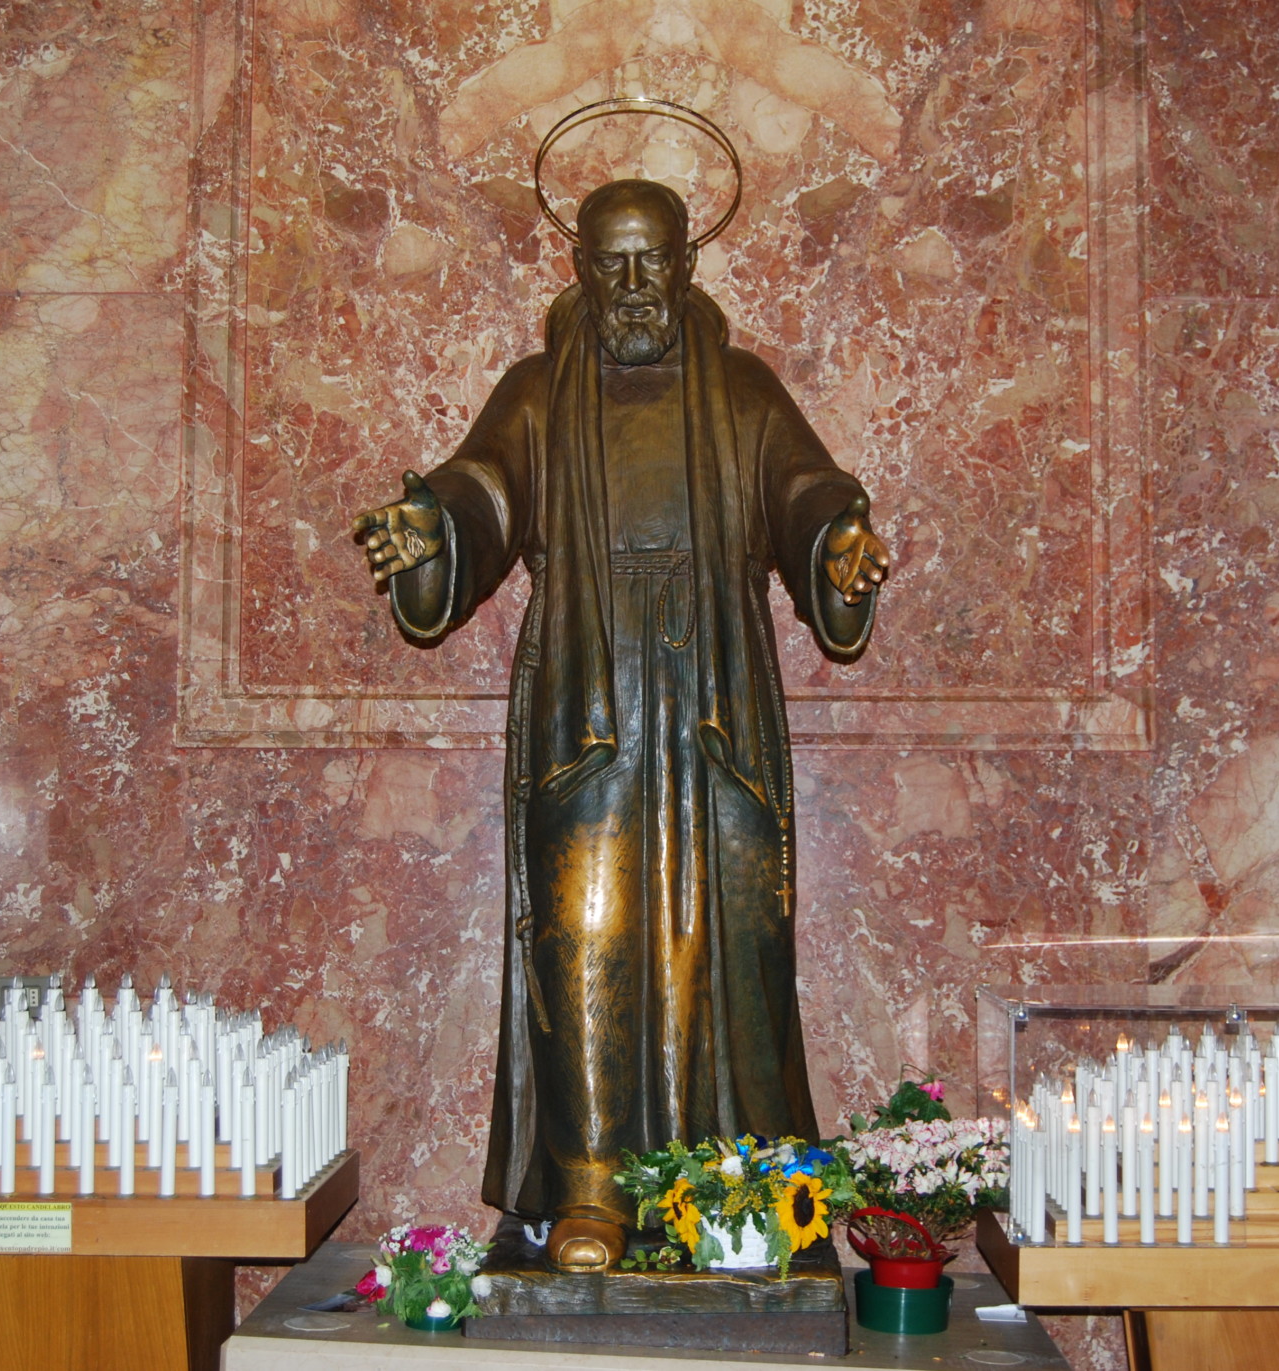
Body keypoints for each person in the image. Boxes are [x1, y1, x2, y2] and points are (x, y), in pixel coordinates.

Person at [353, 179, 889, 1271]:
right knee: (581, 936)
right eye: (613, 263)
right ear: (581, 271)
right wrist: (431, 529)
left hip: (714, 709)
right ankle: (589, 1191)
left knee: (736, 944)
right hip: (588, 708)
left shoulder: (740, 391)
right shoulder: (537, 394)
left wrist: (834, 543)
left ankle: (735, 1190)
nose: (636, 285)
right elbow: (482, 493)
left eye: (655, 261)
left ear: (688, 264)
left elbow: (803, 493)